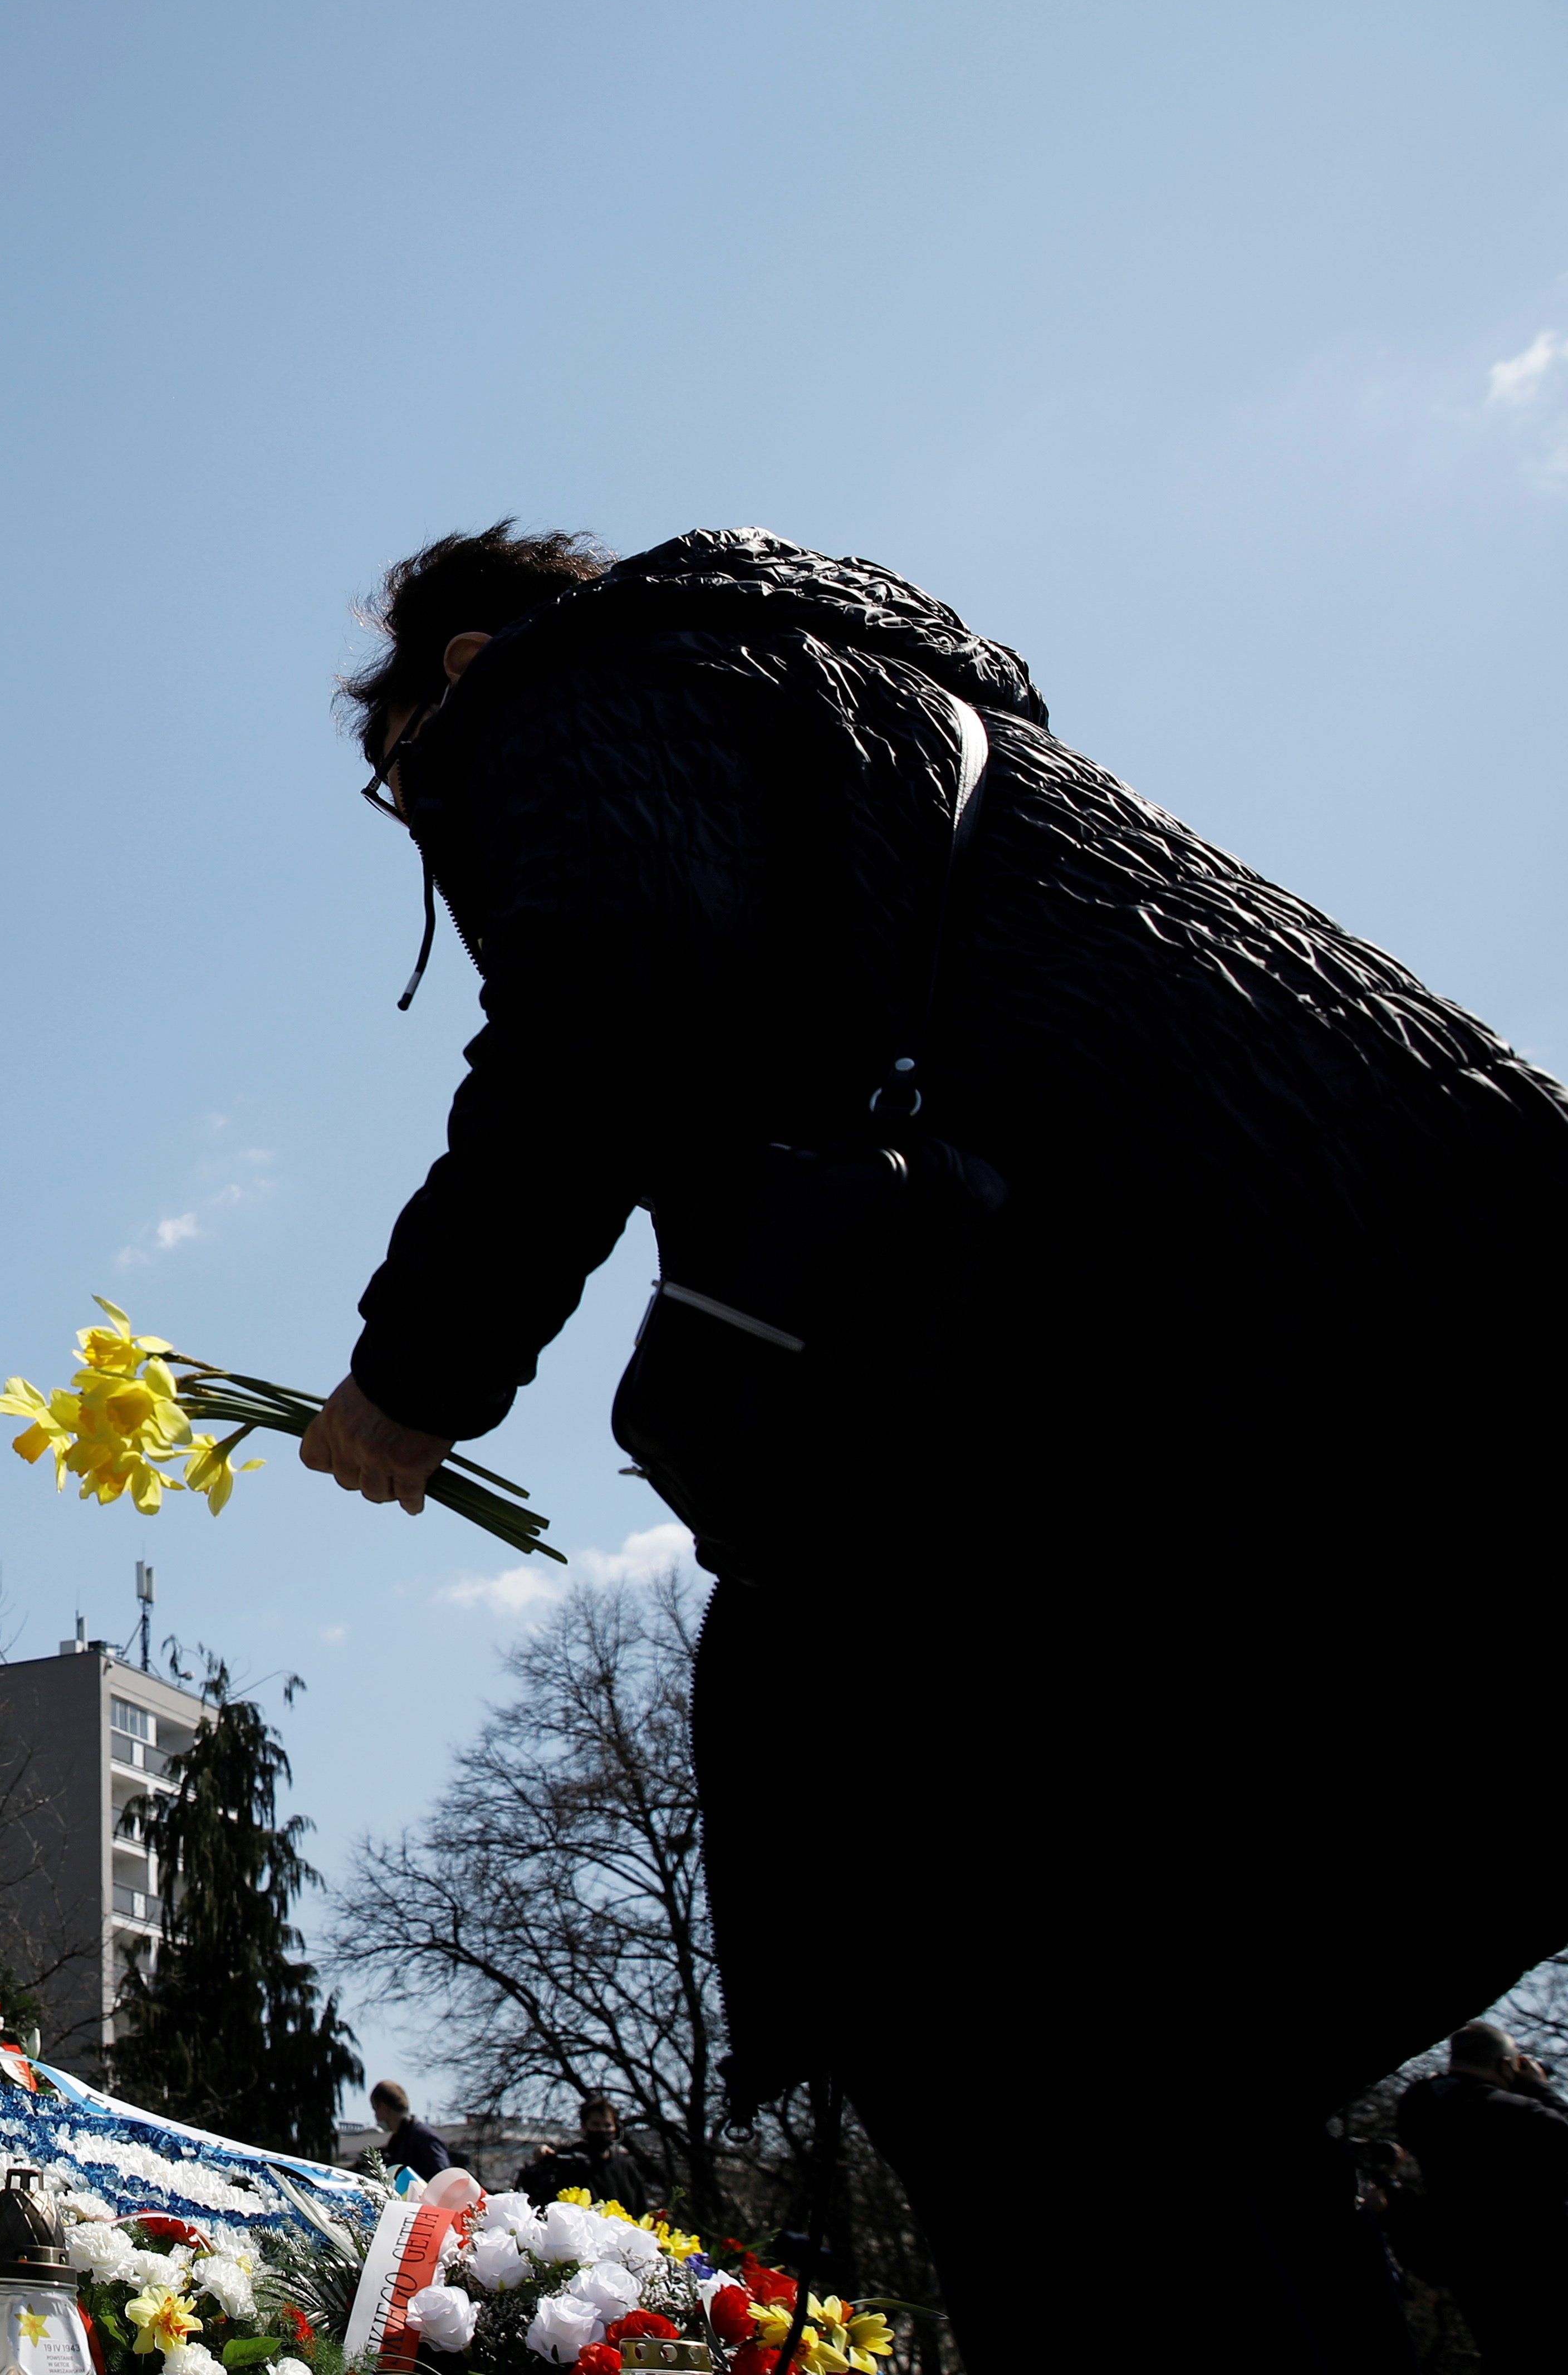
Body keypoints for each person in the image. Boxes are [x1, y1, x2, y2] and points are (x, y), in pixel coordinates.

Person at [293, 524, 1568, 2369]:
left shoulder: (580, 688)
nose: (419, 804)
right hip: (1448, 1324)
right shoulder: (885, 702)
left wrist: (414, 1374)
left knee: (952, 1959)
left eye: (401, 762)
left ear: (467, 669)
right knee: (1160, 2047)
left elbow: (611, 983)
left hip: (1179, 1371)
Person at [1396, 2022, 1568, 2371]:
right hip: (1537, 2263)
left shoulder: (1419, 2105)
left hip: (1468, 2261)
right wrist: (1538, 2088)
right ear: (1505, 2065)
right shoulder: (1518, 2112)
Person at [523, 2095, 658, 2212]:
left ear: (616, 2128)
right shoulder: (568, 2161)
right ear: (584, 2126)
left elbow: (641, 2211)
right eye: (596, 2125)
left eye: (607, 2125)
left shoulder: (627, 2169)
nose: (602, 2130)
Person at [366, 2080, 449, 2182]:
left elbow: (443, 2180)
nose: (376, 2116)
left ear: (384, 2108)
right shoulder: (396, 2142)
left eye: (375, 2110)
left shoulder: (423, 2138)